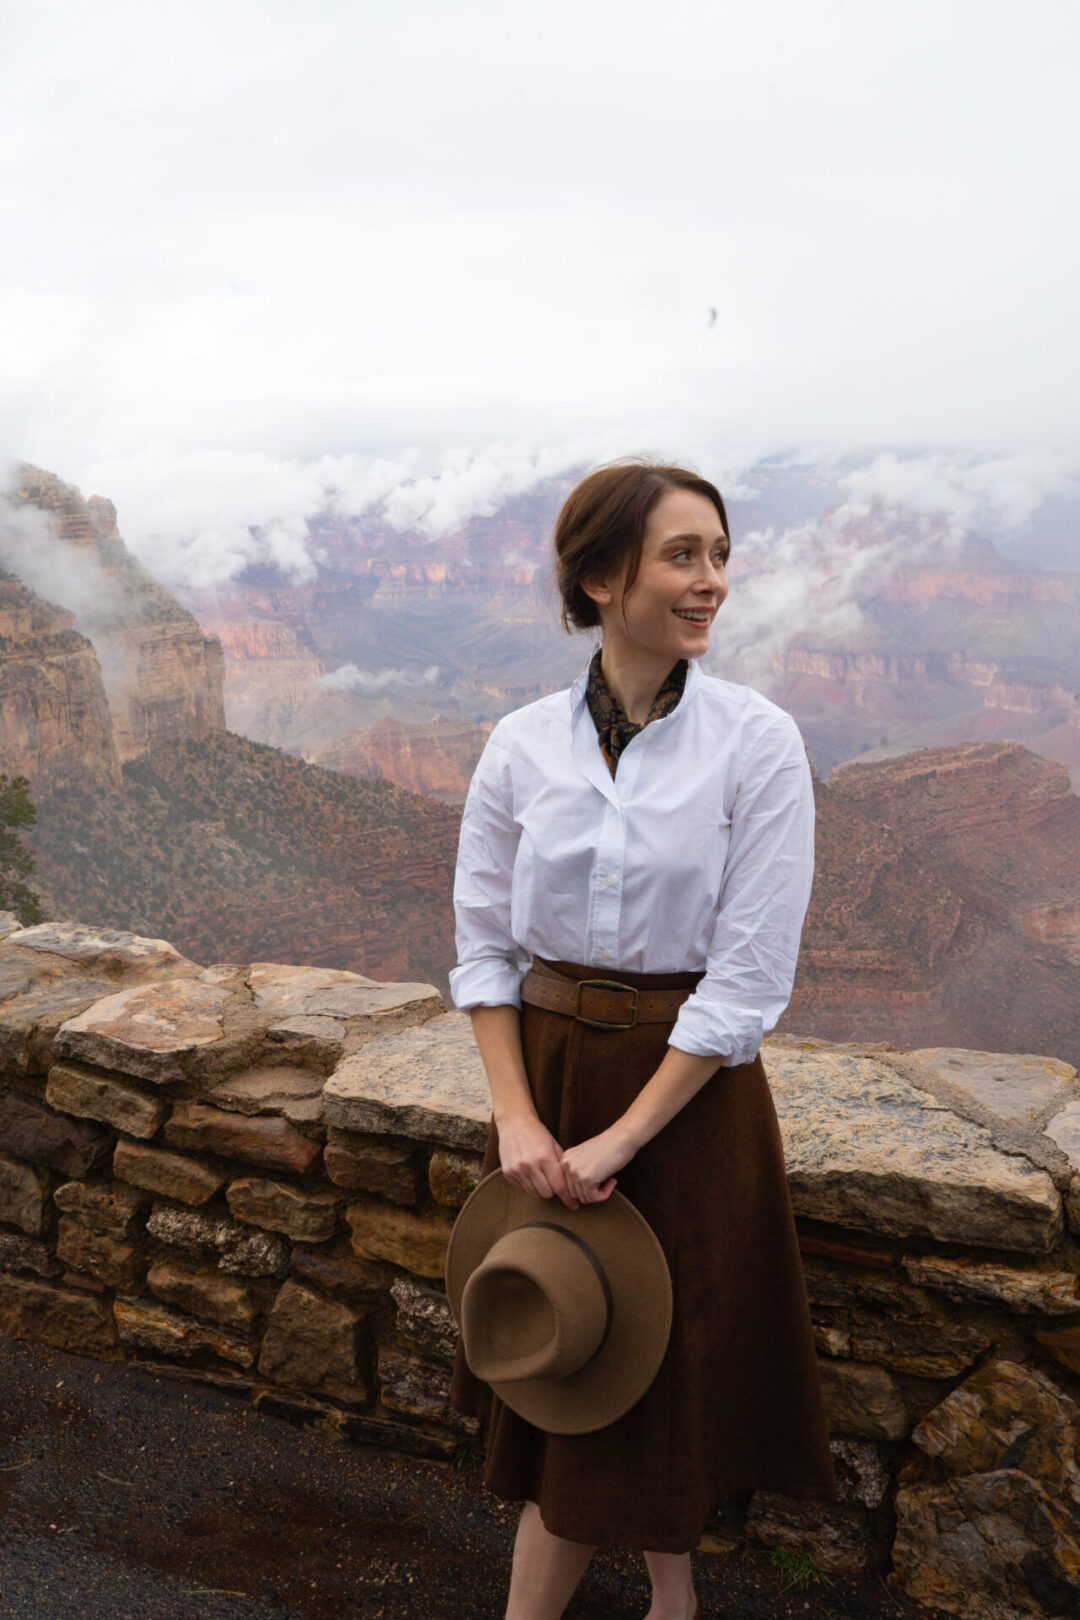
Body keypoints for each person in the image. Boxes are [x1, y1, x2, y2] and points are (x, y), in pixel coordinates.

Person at [448, 458, 838, 1620]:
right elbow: (483, 950)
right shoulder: (521, 745)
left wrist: (623, 1137)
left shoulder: (757, 745)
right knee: (578, 1364)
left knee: (656, 1383)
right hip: (551, 1082)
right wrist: (518, 1116)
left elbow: (747, 980)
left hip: (688, 1102)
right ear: (603, 576)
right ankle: (675, 1606)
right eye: (684, 556)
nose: (711, 580)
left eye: (719, 555)